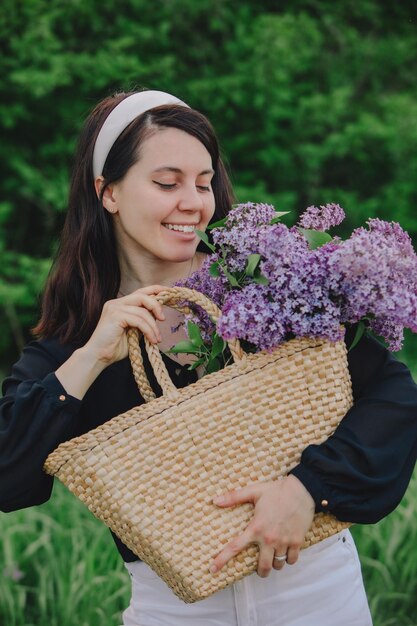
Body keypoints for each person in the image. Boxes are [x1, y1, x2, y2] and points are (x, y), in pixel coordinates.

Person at [1, 89, 417, 626]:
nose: (195, 202)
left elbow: (394, 395)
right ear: (107, 192)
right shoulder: (77, 340)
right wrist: (89, 359)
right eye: (167, 183)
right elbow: (8, 476)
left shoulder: (269, 288)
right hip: (174, 612)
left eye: (204, 183)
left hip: (320, 599)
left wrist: (309, 487)